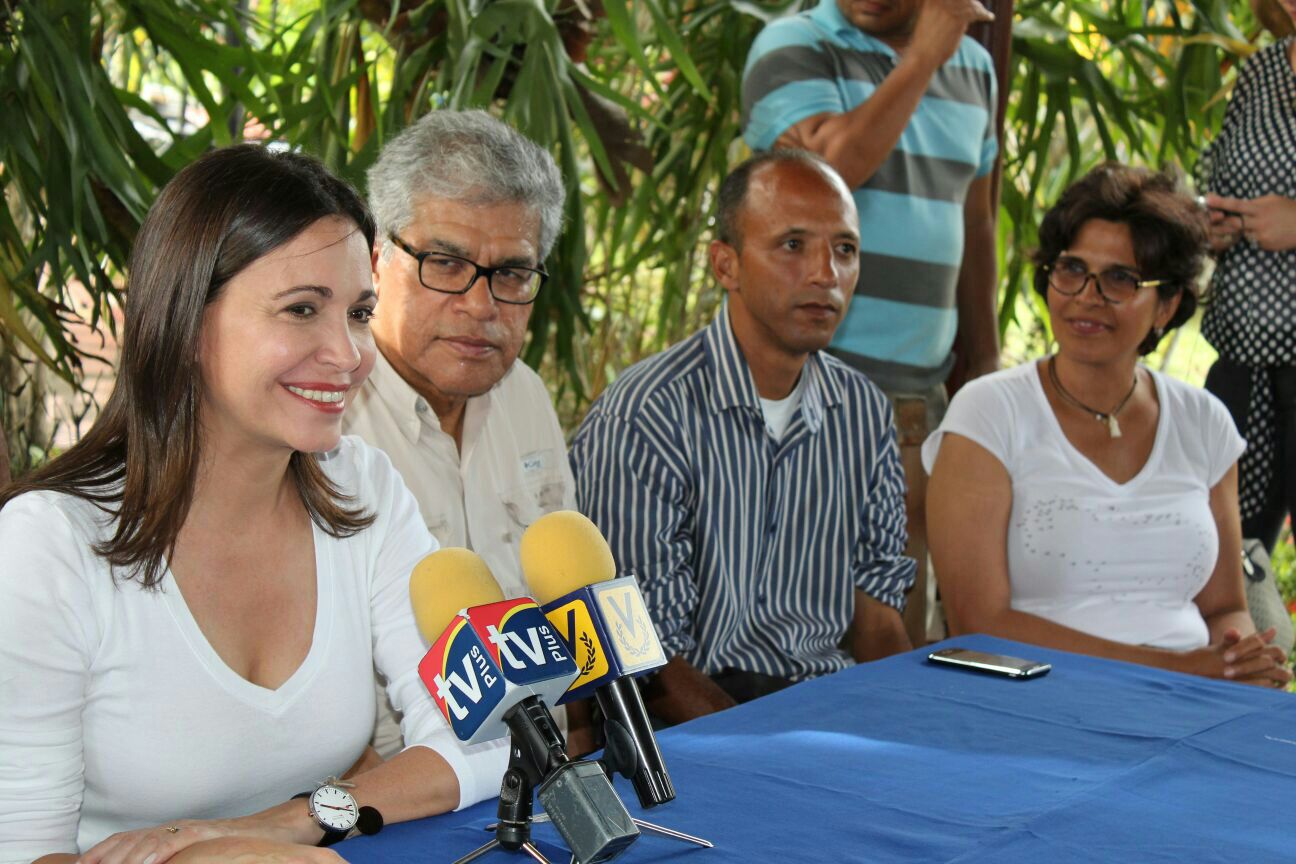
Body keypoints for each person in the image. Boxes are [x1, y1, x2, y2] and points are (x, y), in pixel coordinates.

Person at [0, 145, 508, 864]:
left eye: (360, 312)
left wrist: (294, 822)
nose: (348, 351)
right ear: (185, 325)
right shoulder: (48, 543)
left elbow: (484, 738)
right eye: (301, 309)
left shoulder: (363, 489)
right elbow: (21, 850)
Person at [569, 151, 916, 726]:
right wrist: (761, 748)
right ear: (724, 265)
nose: (825, 274)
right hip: (689, 723)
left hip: (826, 708)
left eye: (845, 250)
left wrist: (912, 729)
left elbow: (878, 620)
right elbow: (641, 658)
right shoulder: (648, 415)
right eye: (792, 245)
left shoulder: (863, 412)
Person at [923, 164, 1292, 689]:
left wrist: (1239, 662)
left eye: (1121, 278)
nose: (1087, 296)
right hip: (1036, 699)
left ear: (1167, 305)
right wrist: (1177, 672)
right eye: (1071, 268)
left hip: (1192, 701)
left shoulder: (1203, 421)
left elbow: (1225, 607)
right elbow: (979, 625)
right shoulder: (989, 413)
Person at [742, 0, 1002, 640]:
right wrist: (923, 59)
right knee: (798, 612)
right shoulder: (792, 45)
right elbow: (833, 175)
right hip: (807, 386)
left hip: (918, 392)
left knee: (893, 613)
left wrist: (987, 361)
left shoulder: (974, 68)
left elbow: (977, 219)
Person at [342, 110, 582, 757]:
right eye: (445, 262)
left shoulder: (523, 396)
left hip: (542, 778)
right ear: (375, 260)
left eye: (511, 274)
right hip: (391, 805)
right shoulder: (323, 418)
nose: (481, 307)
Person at [1196, 0, 1296, 554]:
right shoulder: (1259, 71)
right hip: (1240, 360)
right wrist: (1213, 224)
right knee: (1226, 556)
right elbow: (1221, 177)